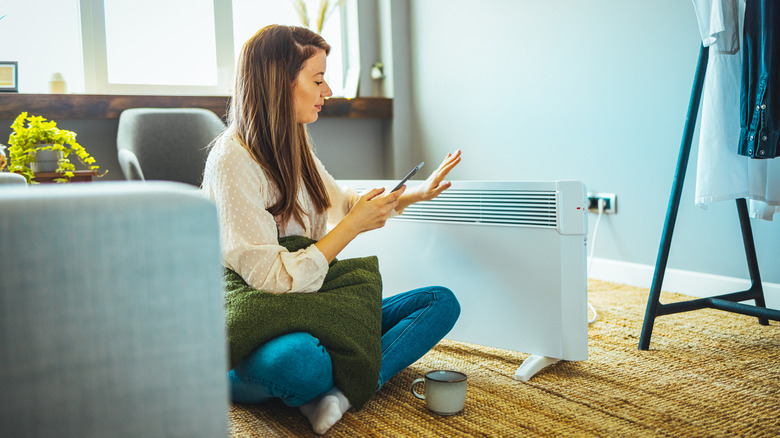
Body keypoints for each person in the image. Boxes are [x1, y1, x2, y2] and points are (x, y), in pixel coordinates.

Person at [201, 24, 462, 435]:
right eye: (318, 79)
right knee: (302, 363)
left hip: (312, 302)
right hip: (256, 309)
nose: (328, 91)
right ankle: (233, 375)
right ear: (278, 83)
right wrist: (352, 230)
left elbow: (342, 202)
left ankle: (341, 394)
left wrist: (417, 194)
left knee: (440, 303)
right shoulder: (231, 160)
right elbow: (270, 279)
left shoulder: (295, 143)